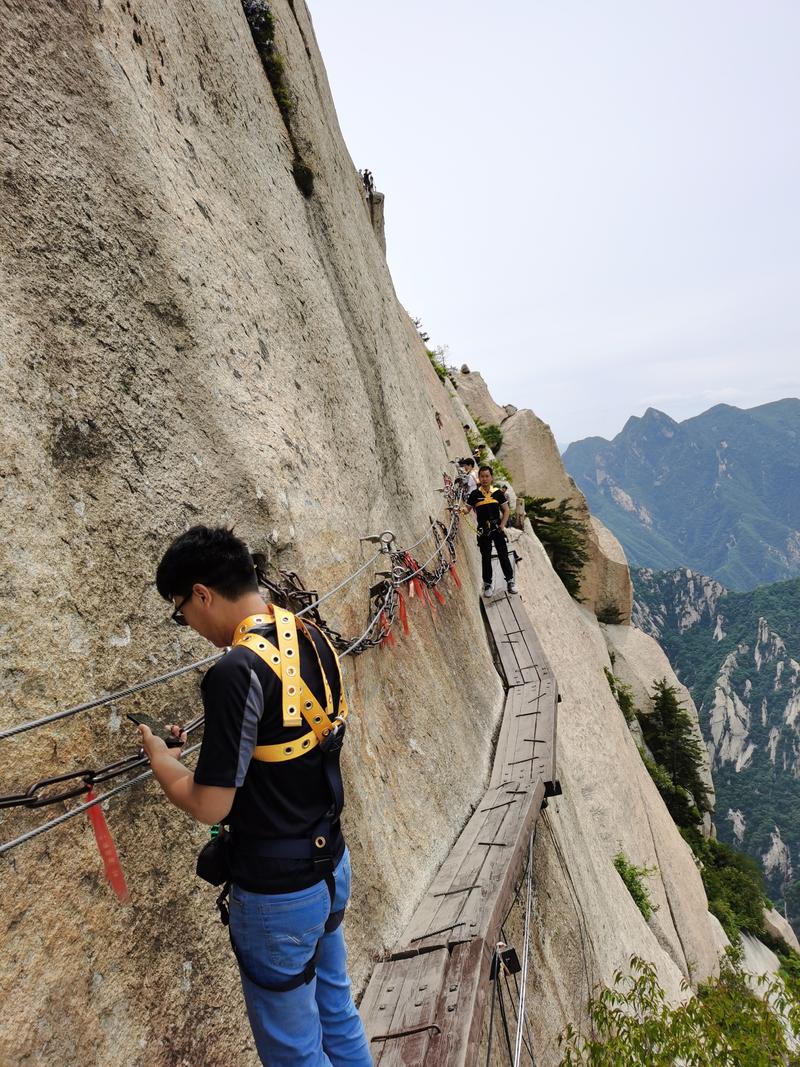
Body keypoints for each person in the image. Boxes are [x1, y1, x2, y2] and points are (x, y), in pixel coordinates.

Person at [139, 526, 372, 1067]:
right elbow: (276, 737)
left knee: (294, 1050)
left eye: (182, 611)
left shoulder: (234, 670)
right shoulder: (311, 636)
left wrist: (163, 762)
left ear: (202, 594)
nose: (189, 625)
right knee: (336, 1010)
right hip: (330, 866)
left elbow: (209, 805)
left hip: (277, 895)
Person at [467, 465, 517, 596]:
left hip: (497, 528)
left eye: (487, 476)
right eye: (482, 476)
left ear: (491, 477)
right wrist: (459, 510)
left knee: (503, 554)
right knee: (486, 557)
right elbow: (466, 509)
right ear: (479, 478)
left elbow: (506, 510)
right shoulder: (475, 494)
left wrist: (502, 526)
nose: (484, 479)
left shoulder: (498, 493)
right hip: (483, 530)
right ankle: (488, 584)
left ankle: (510, 581)